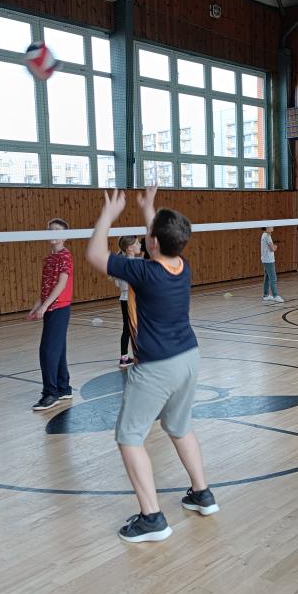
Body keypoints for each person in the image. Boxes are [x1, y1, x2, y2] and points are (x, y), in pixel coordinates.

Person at [86, 186, 217, 543]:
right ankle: (202, 494)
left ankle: (152, 518)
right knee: (180, 426)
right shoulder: (181, 266)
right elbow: (158, 239)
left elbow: (95, 254)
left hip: (157, 367)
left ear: (152, 243)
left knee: (129, 438)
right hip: (189, 358)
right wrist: (148, 208)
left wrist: (108, 216)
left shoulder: (144, 272)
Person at [28, 218, 73, 411]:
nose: (52, 233)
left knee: (47, 351)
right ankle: (63, 388)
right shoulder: (49, 259)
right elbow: (46, 287)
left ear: (64, 236)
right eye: (50, 230)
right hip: (50, 307)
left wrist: (45, 306)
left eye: (56, 230)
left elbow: (61, 284)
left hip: (59, 308)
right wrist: (37, 306)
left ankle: (50, 393)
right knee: (58, 349)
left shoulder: (65, 256)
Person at [113, 235, 141, 368]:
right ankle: (132, 357)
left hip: (130, 299)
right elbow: (124, 285)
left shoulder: (130, 262)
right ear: (130, 248)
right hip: (130, 299)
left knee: (130, 328)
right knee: (130, 328)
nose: (140, 245)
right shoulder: (127, 264)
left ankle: (126, 357)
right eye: (137, 243)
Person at [261, 226, 283, 303]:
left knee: (267, 277)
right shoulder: (267, 236)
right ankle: (275, 295)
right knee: (273, 278)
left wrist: (273, 247)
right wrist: (275, 247)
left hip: (266, 259)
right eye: (270, 226)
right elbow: (272, 249)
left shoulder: (264, 235)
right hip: (268, 260)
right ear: (266, 227)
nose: (272, 227)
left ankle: (266, 295)